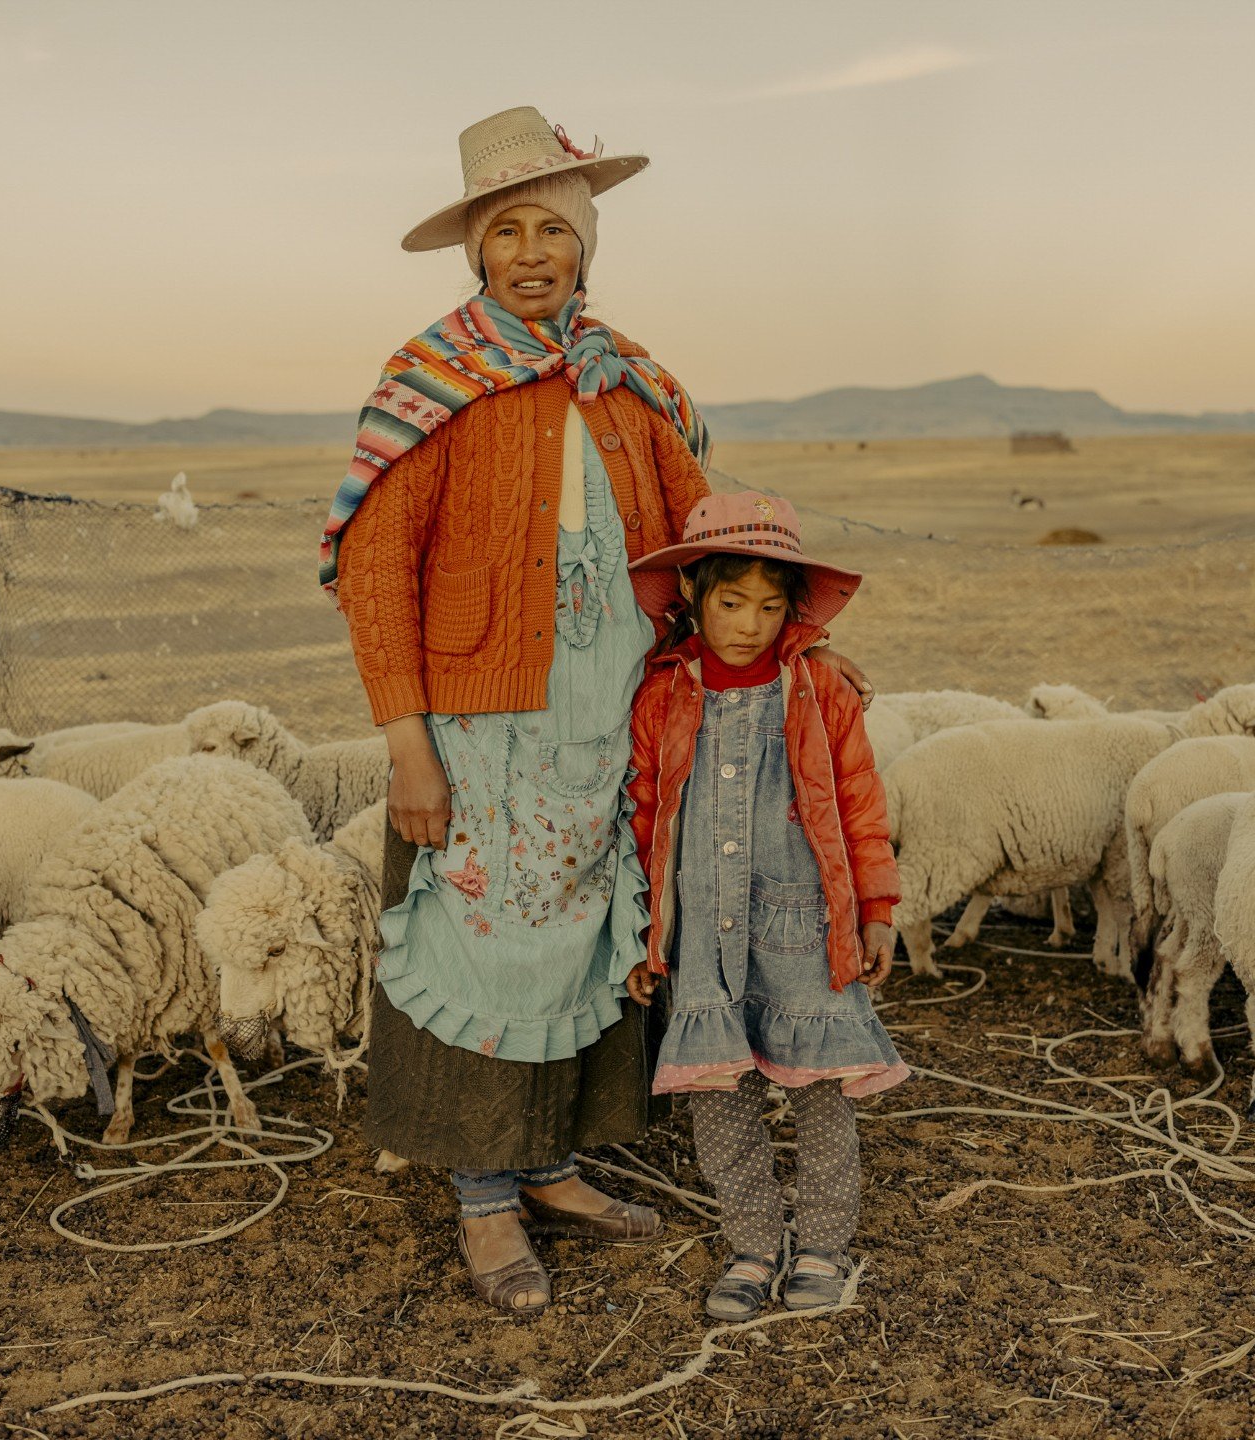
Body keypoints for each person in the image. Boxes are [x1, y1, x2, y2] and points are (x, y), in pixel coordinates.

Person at [323, 109, 875, 1317]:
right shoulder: (433, 383)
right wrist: (408, 742)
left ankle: (554, 1165)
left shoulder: (628, 381)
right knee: (488, 944)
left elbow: (708, 539)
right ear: (477, 252)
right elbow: (376, 572)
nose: (532, 252)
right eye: (508, 230)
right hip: (481, 728)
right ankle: (482, 1200)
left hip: (610, 725)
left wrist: (790, 650)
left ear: (585, 246)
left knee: (586, 945)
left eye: (554, 231)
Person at [622, 490, 906, 1321]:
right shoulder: (663, 697)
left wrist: (877, 907)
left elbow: (859, 801)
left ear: (793, 610)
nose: (748, 623)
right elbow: (645, 817)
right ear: (696, 599)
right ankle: (752, 1245)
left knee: (821, 1094)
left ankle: (821, 1243)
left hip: (805, 928)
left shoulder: (820, 689)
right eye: (731, 602)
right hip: (705, 936)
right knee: (721, 1100)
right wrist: (646, 935)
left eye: (770, 605)